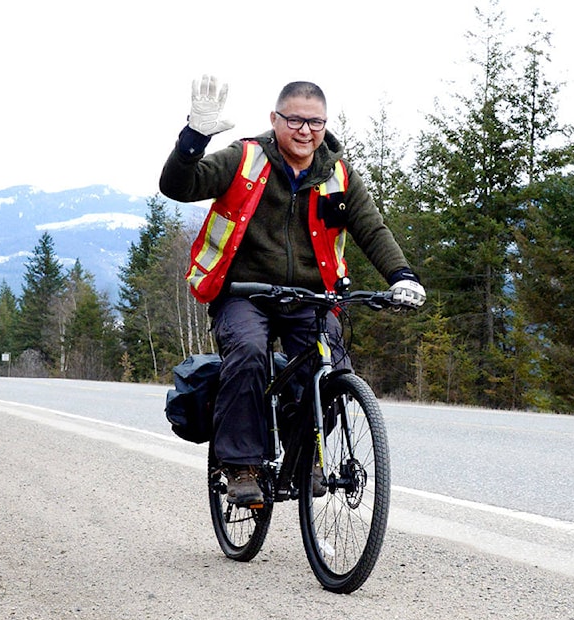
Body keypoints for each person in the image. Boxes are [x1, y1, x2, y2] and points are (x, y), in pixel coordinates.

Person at [160, 75, 425, 506]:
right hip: (244, 292)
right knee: (246, 352)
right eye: (295, 120)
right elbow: (178, 186)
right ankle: (242, 465)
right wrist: (194, 138)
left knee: (331, 369)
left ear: (325, 124)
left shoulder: (337, 174)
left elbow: (371, 229)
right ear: (275, 119)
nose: (305, 131)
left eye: (315, 122)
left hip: (312, 297)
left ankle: (305, 452)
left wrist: (402, 276)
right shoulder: (244, 158)